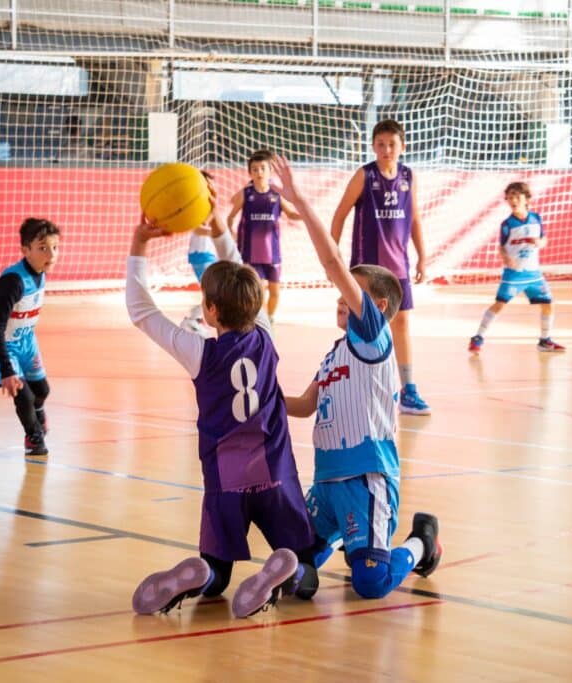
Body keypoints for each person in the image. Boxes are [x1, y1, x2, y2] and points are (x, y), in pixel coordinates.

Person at [127, 197, 318, 620]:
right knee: (306, 566)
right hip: (275, 471)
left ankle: (204, 575)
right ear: (255, 302)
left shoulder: (200, 352)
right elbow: (246, 274)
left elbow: (140, 310)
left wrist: (139, 243)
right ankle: (287, 573)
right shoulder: (265, 333)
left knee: (217, 576)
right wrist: (219, 229)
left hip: (225, 477)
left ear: (211, 311)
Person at [272, 155, 442, 600]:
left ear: (377, 307)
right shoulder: (334, 354)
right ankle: (339, 547)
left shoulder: (372, 338)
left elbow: (332, 262)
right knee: (292, 561)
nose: (341, 296)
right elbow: (303, 406)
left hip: (367, 477)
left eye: (352, 292)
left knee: (370, 583)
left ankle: (421, 543)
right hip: (327, 480)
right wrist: (259, 397)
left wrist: (300, 202)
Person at [331, 119, 430, 415]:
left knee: (401, 324)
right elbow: (340, 214)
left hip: (398, 266)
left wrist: (422, 256)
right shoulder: (365, 175)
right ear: (373, 146)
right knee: (361, 325)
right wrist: (333, 255)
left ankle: (408, 390)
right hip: (368, 269)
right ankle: (353, 384)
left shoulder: (409, 176)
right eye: (381, 144)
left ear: (403, 147)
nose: (386, 149)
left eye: (392, 144)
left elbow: (414, 218)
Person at [0, 218, 61, 456]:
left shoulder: (40, 271)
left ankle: (38, 412)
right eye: (43, 248)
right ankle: (33, 437)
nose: (51, 254)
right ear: (25, 250)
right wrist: (7, 370)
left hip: (26, 339)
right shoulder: (13, 282)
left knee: (42, 390)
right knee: (23, 394)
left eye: (55, 247)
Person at [468, 181, 565, 354]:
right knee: (499, 304)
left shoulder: (536, 218)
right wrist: (506, 258)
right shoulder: (507, 224)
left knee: (548, 304)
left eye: (517, 197)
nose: (513, 200)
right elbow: (501, 246)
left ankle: (545, 340)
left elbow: (544, 239)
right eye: (510, 197)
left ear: (527, 199)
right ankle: (478, 337)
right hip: (514, 273)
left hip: (534, 274)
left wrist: (540, 242)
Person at [227, 150, 300, 323]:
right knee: (258, 291)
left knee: (275, 292)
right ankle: (263, 322)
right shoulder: (246, 194)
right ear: (250, 173)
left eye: (262, 168)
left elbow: (291, 214)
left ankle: (269, 318)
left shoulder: (277, 194)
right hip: (250, 253)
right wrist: (233, 234)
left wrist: (305, 214)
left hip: (272, 253)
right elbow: (230, 216)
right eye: (255, 169)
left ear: (270, 171)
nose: (259, 172)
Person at [182, 171, 219, 338]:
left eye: (211, 183)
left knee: (212, 291)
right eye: (207, 183)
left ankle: (195, 319)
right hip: (200, 254)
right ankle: (193, 319)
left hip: (208, 254)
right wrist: (219, 234)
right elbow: (200, 227)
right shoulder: (196, 205)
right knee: (213, 292)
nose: (211, 186)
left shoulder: (206, 204)